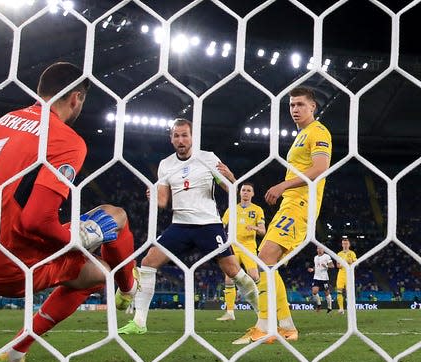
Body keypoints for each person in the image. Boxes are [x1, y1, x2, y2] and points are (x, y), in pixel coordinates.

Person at [0, 62, 137, 362]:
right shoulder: (66, 140)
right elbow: (35, 220)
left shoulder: (0, 123)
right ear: (76, 98)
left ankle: (127, 290)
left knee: (106, 239)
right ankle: (127, 290)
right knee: (107, 245)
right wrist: (77, 239)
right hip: (9, 264)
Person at [117, 118, 259, 335]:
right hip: (180, 225)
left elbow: (231, 191)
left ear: (193, 137)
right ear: (171, 138)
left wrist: (231, 178)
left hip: (208, 224)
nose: (181, 140)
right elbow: (164, 201)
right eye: (176, 136)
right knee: (148, 262)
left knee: (233, 271)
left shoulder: (208, 158)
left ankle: (265, 317)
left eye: (185, 135)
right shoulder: (166, 164)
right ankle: (139, 322)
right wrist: (153, 197)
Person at [233, 86, 332, 344]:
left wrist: (283, 185)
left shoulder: (319, 132)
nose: (295, 109)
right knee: (268, 263)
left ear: (313, 107)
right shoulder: (301, 136)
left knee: (265, 259)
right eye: (291, 105)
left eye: (300, 104)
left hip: (301, 204)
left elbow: (321, 167)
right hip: (291, 204)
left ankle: (265, 327)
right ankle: (286, 327)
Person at [217, 182, 265, 321]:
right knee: (229, 277)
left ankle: (262, 310)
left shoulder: (257, 210)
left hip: (248, 247)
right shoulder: (231, 209)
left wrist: (255, 228)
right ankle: (230, 312)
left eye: (248, 190)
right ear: (240, 193)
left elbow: (263, 230)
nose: (245, 192)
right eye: (243, 190)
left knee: (254, 276)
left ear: (253, 194)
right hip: (233, 246)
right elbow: (221, 225)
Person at [308, 246, 333, 313]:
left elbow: (332, 266)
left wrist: (326, 266)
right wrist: (312, 269)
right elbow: (316, 266)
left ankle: (329, 308)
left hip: (324, 278)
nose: (319, 249)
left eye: (321, 248)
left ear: (323, 249)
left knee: (326, 293)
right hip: (316, 277)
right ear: (317, 249)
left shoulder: (327, 256)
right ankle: (319, 305)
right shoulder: (315, 257)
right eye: (318, 248)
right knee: (314, 291)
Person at [336, 237, 357, 314]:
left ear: (349, 245)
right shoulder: (339, 254)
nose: (345, 245)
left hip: (349, 275)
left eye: (346, 243)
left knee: (349, 293)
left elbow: (355, 263)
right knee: (339, 292)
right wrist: (343, 264)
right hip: (341, 274)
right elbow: (337, 265)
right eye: (343, 243)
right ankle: (341, 309)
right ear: (342, 245)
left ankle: (350, 308)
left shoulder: (352, 253)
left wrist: (350, 262)